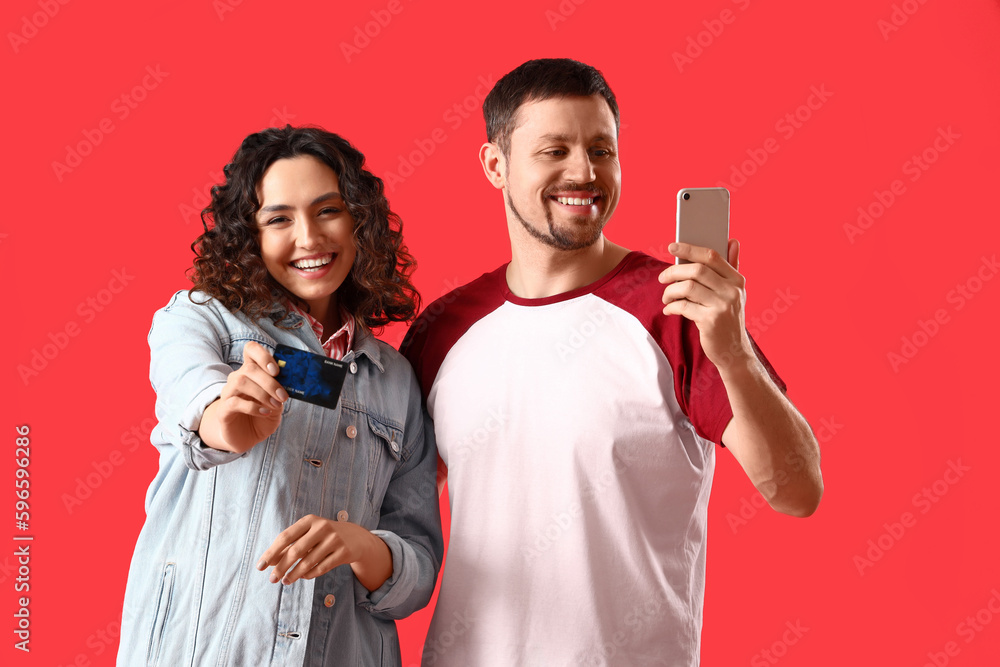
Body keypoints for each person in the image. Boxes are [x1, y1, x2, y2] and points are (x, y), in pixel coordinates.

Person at [400, 58, 824, 666]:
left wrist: (730, 351)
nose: (584, 171)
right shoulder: (443, 330)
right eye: (555, 150)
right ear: (495, 165)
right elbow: (396, 507)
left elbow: (797, 490)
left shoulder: (676, 307)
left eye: (602, 149)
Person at [118, 126, 442, 666]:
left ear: (361, 221)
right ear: (249, 236)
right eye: (279, 219)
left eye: (328, 211)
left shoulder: (397, 382)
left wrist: (364, 547)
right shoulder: (197, 320)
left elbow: (418, 577)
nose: (309, 238)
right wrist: (230, 419)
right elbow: (195, 401)